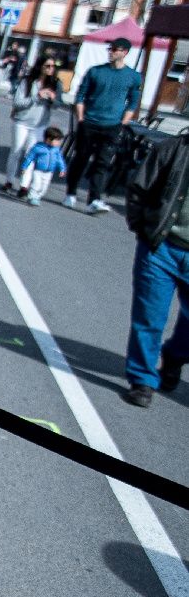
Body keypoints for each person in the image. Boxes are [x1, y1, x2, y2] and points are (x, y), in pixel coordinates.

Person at [119, 125, 189, 407]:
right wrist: (143, 229)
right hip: (161, 248)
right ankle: (143, 380)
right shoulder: (172, 149)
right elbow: (139, 188)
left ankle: (175, 355)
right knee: (149, 317)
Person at [64, 38, 144, 214]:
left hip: (112, 126)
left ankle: (94, 200)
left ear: (125, 53)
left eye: (115, 49)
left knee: (102, 163)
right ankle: (70, 193)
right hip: (89, 122)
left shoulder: (133, 76)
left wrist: (123, 123)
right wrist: (81, 118)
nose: (111, 52)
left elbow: (133, 102)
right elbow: (80, 95)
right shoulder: (95, 71)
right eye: (110, 48)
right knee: (81, 158)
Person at [3, 58, 63, 196]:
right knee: (16, 151)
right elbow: (18, 102)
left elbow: (58, 105)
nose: (51, 68)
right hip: (22, 121)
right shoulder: (28, 81)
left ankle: (24, 186)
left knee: (32, 153)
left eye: (53, 66)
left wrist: (53, 99)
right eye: (47, 65)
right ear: (40, 66)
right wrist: (37, 96)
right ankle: (9, 180)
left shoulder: (55, 84)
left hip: (39, 124)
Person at [17, 127, 69, 206]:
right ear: (48, 139)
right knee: (36, 184)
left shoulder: (56, 150)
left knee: (44, 187)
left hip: (49, 172)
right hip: (38, 170)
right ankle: (32, 197)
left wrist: (62, 169)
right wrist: (24, 167)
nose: (59, 143)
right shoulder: (38, 148)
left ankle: (37, 197)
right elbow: (29, 158)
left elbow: (60, 160)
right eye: (57, 140)